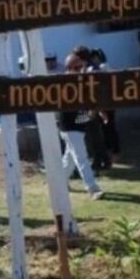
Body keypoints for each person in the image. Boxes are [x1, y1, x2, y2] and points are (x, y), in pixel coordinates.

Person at [57, 54, 104, 200]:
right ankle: (92, 188)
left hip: (77, 125)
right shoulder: (64, 83)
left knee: (70, 159)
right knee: (81, 157)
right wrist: (89, 114)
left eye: (81, 67)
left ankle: (59, 183)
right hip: (69, 125)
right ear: (69, 67)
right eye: (77, 67)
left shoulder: (80, 81)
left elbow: (87, 103)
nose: (80, 70)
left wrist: (95, 113)